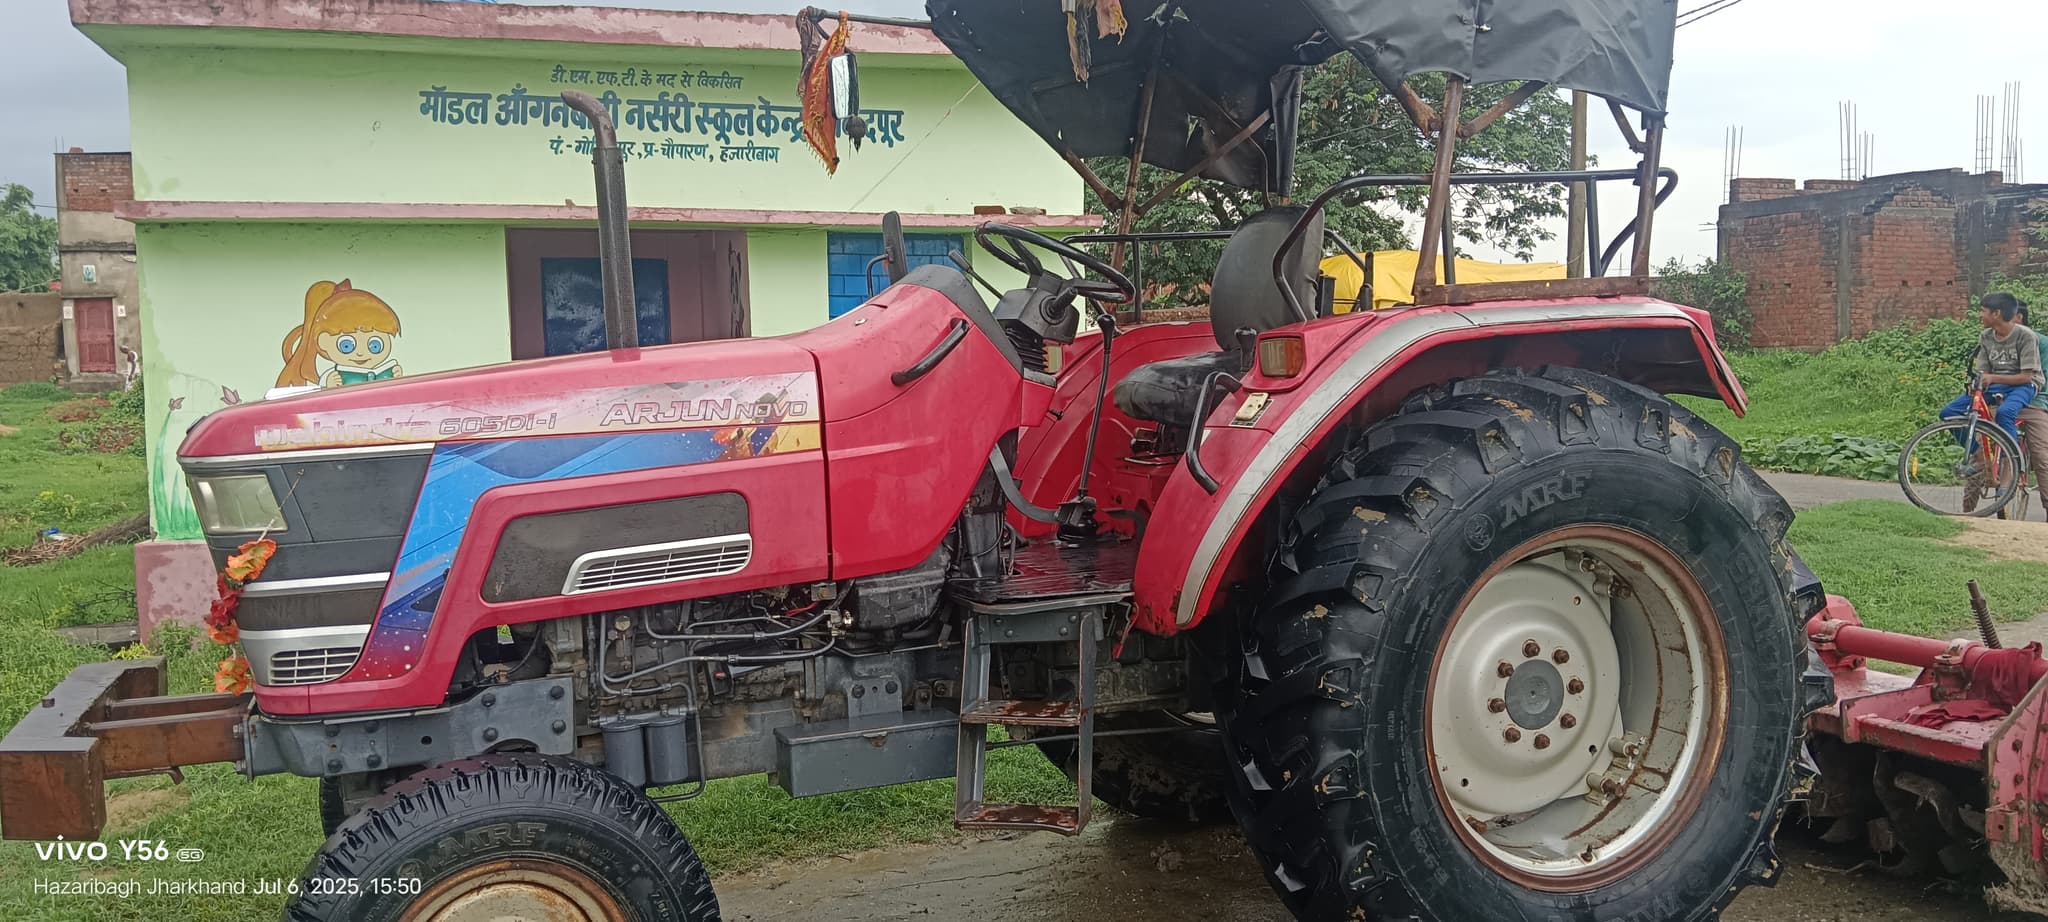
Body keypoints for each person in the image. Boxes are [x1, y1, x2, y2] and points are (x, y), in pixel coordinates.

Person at [1940, 291, 2041, 444]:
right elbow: (1984, 371)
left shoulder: (2026, 336)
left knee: (2005, 412)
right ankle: (1977, 454)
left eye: (1983, 311)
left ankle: (2011, 457)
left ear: (1996, 314)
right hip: (1997, 385)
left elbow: (2026, 377)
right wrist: (1978, 384)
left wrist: (1992, 378)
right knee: (1949, 412)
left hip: (2024, 385)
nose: (1980, 315)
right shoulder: (1986, 336)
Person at [2019, 301, 2048, 520]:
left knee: (2041, 454)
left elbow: (2041, 379)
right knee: (1981, 451)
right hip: (2005, 400)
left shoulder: (2042, 343)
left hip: (2035, 401)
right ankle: (1968, 511)